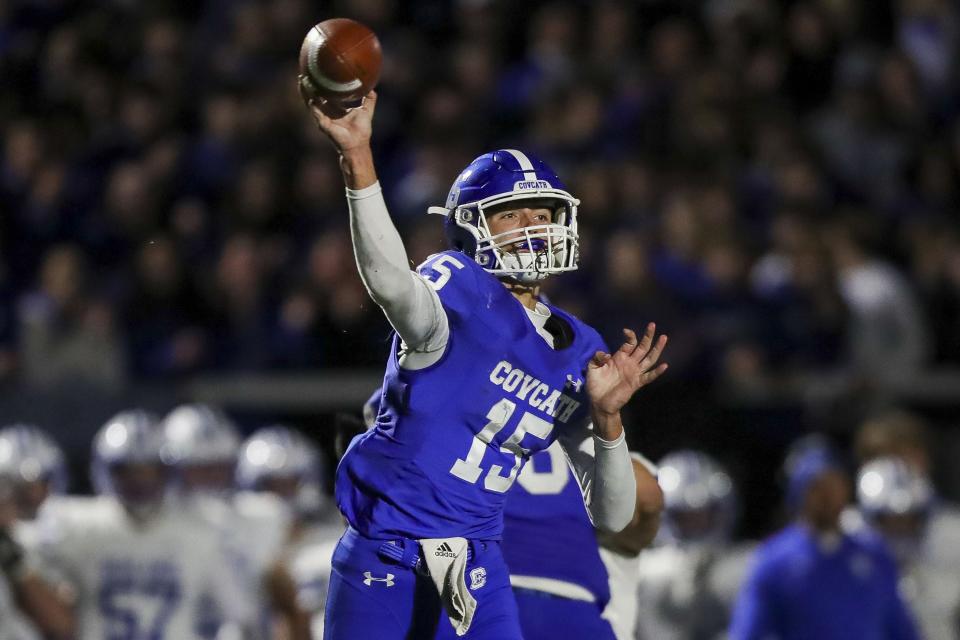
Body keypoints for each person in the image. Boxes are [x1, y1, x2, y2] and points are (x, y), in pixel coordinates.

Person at [301, 87, 668, 640]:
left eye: (541, 212)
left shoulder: (576, 345)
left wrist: (609, 420)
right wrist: (358, 156)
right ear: (473, 228)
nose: (532, 226)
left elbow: (614, 517)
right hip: (386, 546)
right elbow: (390, 284)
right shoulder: (457, 292)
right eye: (510, 215)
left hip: (477, 559)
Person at [34, 410, 244, 639]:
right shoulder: (75, 525)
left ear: (169, 471)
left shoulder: (201, 528)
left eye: (150, 470)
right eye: (127, 471)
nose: (140, 481)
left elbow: (239, 615)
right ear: (105, 471)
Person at [729, 445, 919, 640]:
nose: (828, 497)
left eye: (834, 486)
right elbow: (747, 632)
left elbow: (900, 627)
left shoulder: (873, 554)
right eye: (817, 488)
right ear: (800, 493)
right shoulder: (774, 559)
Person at [161, 404, 308, 640]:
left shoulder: (263, 515)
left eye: (220, 468)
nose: (213, 479)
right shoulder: (149, 528)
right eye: (199, 469)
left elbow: (286, 605)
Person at [236, 425, 345, 639]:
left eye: (289, 483)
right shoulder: (232, 547)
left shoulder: (334, 545)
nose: (281, 495)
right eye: (272, 485)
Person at [636, 450, 754, 640]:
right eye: (684, 517)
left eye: (701, 516)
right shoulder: (646, 571)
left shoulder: (745, 564)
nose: (694, 525)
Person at [855, 457, 960, 640]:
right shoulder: (849, 544)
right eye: (890, 519)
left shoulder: (949, 539)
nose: (901, 528)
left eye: (910, 518)